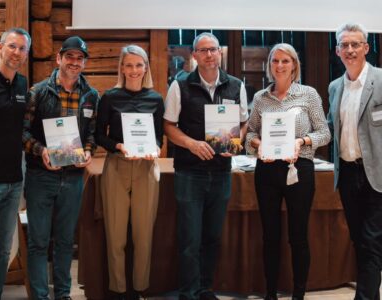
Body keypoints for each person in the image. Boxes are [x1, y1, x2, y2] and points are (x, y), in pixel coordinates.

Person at [164, 32, 249, 300]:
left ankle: (205, 289)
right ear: (194, 55)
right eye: (203, 50)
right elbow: (168, 126)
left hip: (222, 172)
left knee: (212, 237)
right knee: (190, 239)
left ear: (220, 53)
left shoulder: (236, 85)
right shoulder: (180, 85)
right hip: (190, 172)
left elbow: (244, 122)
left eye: (213, 49)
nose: (209, 54)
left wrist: (236, 142)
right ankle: (188, 293)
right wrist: (190, 143)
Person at [246, 43, 330, 300]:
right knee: (270, 236)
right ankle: (270, 293)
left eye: (285, 61)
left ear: (294, 65)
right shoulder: (261, 98)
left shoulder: (308, 95)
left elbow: (324, 133)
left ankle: (298, 293)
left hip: (299, 169)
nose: (280, 66)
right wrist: (259, 144)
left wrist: (301, 142)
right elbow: (250, 132)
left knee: (298, 236)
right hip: (267, 170)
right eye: (275, 61)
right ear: (269, 65)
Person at [22, 36, 99, 300]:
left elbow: (92, 134)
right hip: (41, 176)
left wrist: (88, 151)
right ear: (59, 58)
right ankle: (40, 296)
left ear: (84, 62)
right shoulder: (38, 92)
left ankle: (63, 295)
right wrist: (41, 150)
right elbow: (22, 132)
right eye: (70, 57)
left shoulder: (91, 95)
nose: (74, 62)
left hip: (74, 177)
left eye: (80, 58)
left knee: (66, 242)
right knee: (38, 243)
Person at [95, 45, 164, 300]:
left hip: (146, 167)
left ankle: (138, 289)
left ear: (145, 67)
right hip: (117, 166)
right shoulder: (110, 97)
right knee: (116, 235)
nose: (134, 70)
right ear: (121, 68)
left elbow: (158, 136)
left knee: (144, 234)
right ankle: (118, 290)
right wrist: (118, 146)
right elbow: (99, 134)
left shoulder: (155, 99)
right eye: (129, 65)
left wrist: (156, 147)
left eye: (138, 65)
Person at [328, 23, 382, 300]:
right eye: (344, 45)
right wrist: (298, 139)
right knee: (360, 242)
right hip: (347, 175)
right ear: (337, 51)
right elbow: (328, 128)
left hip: (377, 176)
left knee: (372, 242)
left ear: (366, 48)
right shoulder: (335, 87)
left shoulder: (381, 80)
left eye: (355, 44)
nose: (350, 50)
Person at [0, 27, 31, 300]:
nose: (17, 53)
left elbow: (23, 128)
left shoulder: (23, 84)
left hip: (13, 181)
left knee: (1, 252)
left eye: (22, 49)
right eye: (12, 46)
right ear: (0, 48)